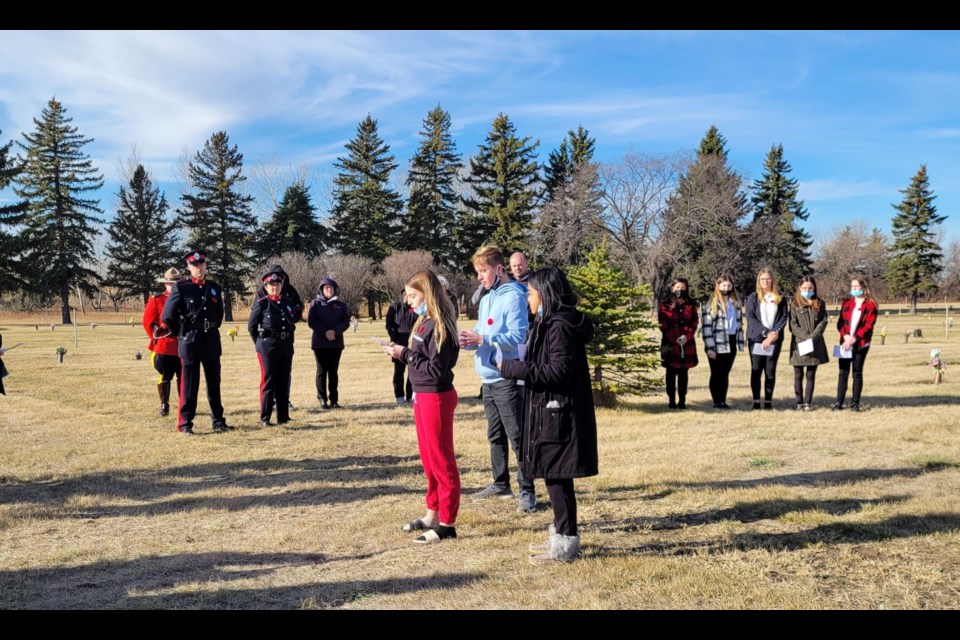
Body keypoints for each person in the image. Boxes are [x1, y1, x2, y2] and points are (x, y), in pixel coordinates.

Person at [500, 267, 598, 564]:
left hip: (560, 413)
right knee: (554, 476)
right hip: (552, 411)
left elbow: (559, 371)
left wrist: (511, 368)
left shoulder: (559, 326)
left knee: (557, 475)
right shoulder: (548, 322)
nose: (527, 299)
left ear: (545, 294)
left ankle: (565, 542)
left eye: (530, 293)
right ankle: (560, 534)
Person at [381, 270, 461, 544]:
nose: (409, 301)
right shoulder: (423, 322)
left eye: (414, 296)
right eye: (407, 296)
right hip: (422, 395)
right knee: (429, 461)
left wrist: (405, 354)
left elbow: (436, 369)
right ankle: (432, 513)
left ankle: (447, 524)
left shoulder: (440, 326)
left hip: (437, 397)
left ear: (428, 294)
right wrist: (401, 352)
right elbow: (421, 360)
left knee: (442, 462)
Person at [459, 245, 537, 513]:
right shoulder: (486, 299)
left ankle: (527, 489)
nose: (479, 277)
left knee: (517, 435)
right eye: (477, 272)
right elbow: (483, 332)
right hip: (488, 378)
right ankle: (500, 482)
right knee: (495, 433)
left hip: (508, 377)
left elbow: (518, 336)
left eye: (483, 271)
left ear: (499, 269)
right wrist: (470, 341)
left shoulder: (515, 297)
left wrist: (484, 338)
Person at [161, 249, 232, 434]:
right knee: (190, 385)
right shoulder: (181, 287)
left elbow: (219, 314)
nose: (198, 268)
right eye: (194, 265)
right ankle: (185, 423)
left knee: (214, 383)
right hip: (190, 340)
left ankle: (218, 421)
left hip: (211, 340)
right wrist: (181, 333)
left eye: (201, 264)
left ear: (206, 265)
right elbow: (167, 316)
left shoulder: (214, 287)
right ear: (188, 266)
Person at [248, 267, 302, 426]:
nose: (275, 287)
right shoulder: (262, 304)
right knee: (269, 381)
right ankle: (265, 417)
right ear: (265, 287)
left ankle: (283, 417)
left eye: (278, 284)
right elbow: (252, 327)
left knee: (283, 381)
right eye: (271, 285)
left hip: (285, 346)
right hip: (268, 346)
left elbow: (292, 322)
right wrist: (260, 344)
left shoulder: (288, 303)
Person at [833, 275, 879, 412]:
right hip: (845, 344)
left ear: (864, 288)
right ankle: (838, 403)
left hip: (861, 344)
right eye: (852, 287)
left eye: (856, 287)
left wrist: (854, 338)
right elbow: (840, 323)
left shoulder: (871, 305)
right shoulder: (846, 303)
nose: (853, 289)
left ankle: (855, 403)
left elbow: (868, 325)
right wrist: (846, 336)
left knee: (857, 372)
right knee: (843, 372)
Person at [745, 267, 789, 410]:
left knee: (770, 370)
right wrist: (765, 333)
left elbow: (783, 317)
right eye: (762, 279)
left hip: (774, 340)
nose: (765, 281)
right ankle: (757, 402)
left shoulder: (779, 297)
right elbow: (750, 318)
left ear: (772, 280)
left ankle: (768, 402)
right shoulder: (753, 297)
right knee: (756, 370)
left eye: (768, 278)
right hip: (756, 339)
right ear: (759, 280)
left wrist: (773, 334)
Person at [142, 267, 183, 416]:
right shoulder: (157, 299)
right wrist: (156, 336)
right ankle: (164, 405)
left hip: (183, 344)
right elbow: (148, 322)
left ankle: (183, 405)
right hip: (165, 345)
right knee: (165, 376)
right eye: (170, 283)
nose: (173, 286)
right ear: (165, 284)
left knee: (183, 377)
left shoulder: (185, 298)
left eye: (177, 283)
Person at [700, 274, 744, 409]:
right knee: (716, 373)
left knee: (725, 373)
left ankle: (723, 401)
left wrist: (740, 342)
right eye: (724, 285)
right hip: (717, 342)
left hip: (731, 340)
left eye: (729, 285)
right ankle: (716, 402)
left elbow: (739, 323)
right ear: (718, 286)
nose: (727, 288)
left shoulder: (735, 303)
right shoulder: (712, 303)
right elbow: (706, 327)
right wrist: (710, 347)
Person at [307, 277, 350, 409]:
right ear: (321, 290)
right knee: (321, 371)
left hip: (335, 343)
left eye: (331, 288)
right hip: (320, 343)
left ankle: (334, 400)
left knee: (333, 372)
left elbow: (345, 322)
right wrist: (325, 332)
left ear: (335, 290)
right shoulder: (315, 304)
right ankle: (322, 399)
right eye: (326, 288)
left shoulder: (341, 305)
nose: (329, 290)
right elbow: (311, 321)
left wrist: (334, 332)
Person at [788, 275, 830, 411]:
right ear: (800, 288)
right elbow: (792, 325)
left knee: (811, 375)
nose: (807, 290)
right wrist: (805, 337)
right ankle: (799, 403)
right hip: (799, 344)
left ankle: (807, 403)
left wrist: (812, 338)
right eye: (805, 288)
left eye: (810, 288)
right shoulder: (794, 304)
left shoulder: (820, 303)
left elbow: (823, 322)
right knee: (798, 375)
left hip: (815, 344)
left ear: (814, 288)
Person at [657, 278, 699, 409]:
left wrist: (686, 336)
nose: (680, 290)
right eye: (677, 287)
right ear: (672, 288)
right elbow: (663, 324)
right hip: (670, 342)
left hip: (687, 343)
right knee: (670, 373)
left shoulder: (691, 304)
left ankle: (682, 401)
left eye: (683, 287)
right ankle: (671, 401)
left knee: (683, 374)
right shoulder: (665, 304)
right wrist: (674, 338)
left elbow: (694, 323)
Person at [385, 290, 416, 406]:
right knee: (399, 371)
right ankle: (399, 396)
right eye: (405, 295)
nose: (407, 297)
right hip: (398, 343)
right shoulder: (395, 307)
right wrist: (394, 339)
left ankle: (410, 395)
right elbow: (389, 324)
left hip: (413, 343)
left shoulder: (416, 308)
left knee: (412, 371)